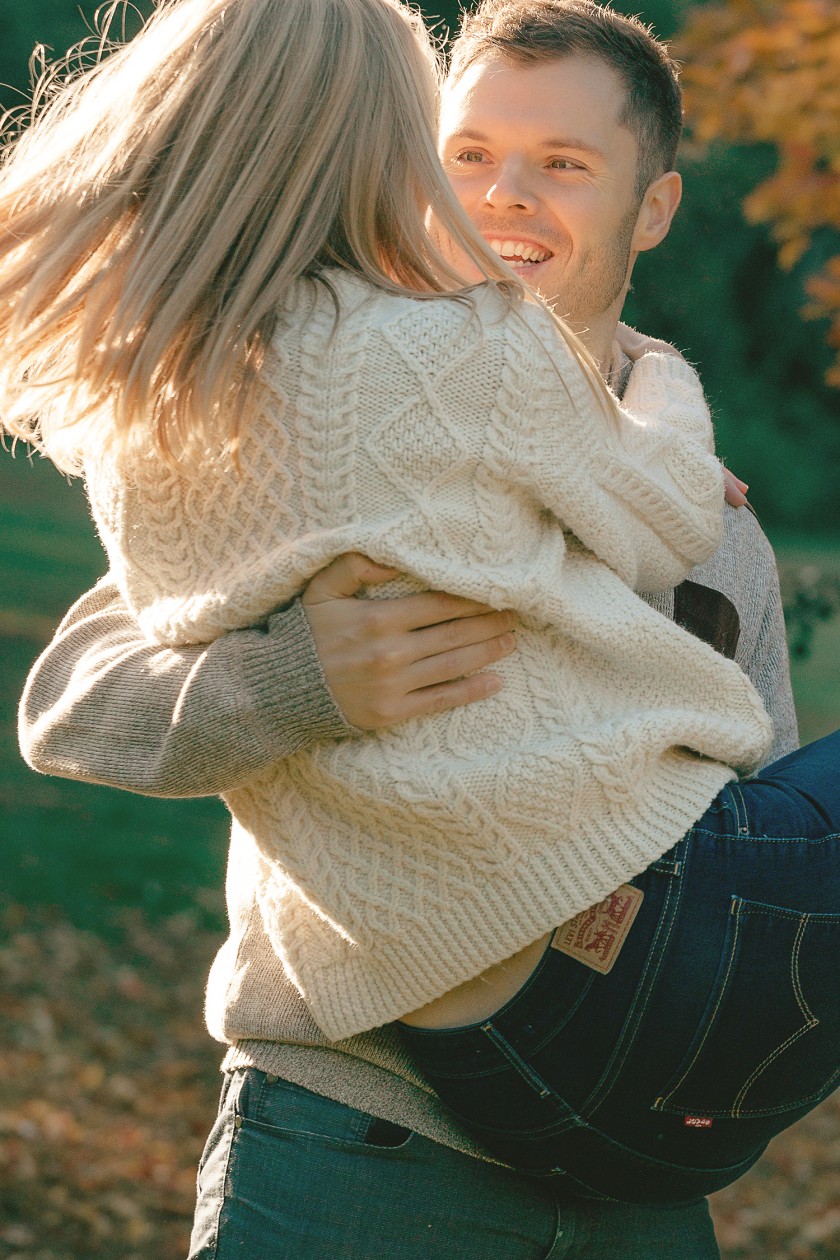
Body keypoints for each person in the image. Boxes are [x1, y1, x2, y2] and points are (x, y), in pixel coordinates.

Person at [8, 0, 833, 1255]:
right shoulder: (277, 422)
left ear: (651, 208)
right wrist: (297, 681)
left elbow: (756, 843)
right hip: (354, 1136)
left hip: (632, 1165)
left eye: (562, 165)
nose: (506, 196)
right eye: (468, 154)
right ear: (401, 156)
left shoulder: (726, 535)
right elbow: (70, 702)